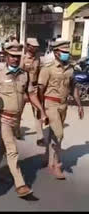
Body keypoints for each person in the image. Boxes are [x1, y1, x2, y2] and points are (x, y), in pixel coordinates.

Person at [0, 41, 48, 198]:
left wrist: (42, 110)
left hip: (16, 119)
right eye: (12, 56)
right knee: (12, 149)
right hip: (1, 117)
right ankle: (21, 184)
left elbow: (31, 94)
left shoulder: (24, 75)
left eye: (18, 56)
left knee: (3, 145)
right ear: (5, 56)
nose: (15, 59)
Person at [38, 40, 84, 179]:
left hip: (63, 105)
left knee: (53, 133)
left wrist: (79, 105)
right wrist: (41, 109)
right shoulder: (48, 68)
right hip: (50, 103)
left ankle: (48, 155)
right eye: (63, 52)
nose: (66, 54)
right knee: (59, 134)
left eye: (67, 52)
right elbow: (40, 89)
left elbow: (73, 88)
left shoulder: (70, 68)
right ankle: (56, 165)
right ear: (56, 52)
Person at [15, 38, 44, 144]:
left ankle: (40, 136)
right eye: (33, 47)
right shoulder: (21, 58)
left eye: (36, 47)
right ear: (28, 46)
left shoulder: (37, 58)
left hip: (34, 88)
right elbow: (17, 74)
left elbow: (40, 71)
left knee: (38, 112)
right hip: (23, 89)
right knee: (18, 112)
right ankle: (17, 131)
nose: (34, 49)